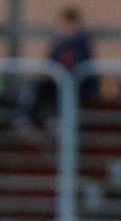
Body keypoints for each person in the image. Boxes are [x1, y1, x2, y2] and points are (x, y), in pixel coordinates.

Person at [16, 8, 96, 136]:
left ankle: (55, 118)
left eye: (70, 24)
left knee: (60, 88)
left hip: (75, 84)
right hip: (55, 80)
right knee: (36, 87)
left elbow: (80, 64)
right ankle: (28, 118)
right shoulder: (58, 42)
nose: (67, 28)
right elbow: (50, 60)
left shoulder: (82, 42)